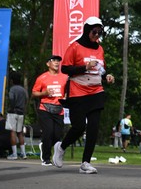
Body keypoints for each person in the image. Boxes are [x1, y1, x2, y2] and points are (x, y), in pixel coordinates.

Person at [52, 16, 115, 174]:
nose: (96, 35)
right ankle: (61, 147)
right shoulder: (75, 47)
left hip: (96, 91)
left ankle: (85, 163)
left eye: (99, 32)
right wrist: (85, 67)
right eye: (94, 32)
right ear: (87, 30)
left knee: (93, 127)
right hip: (78, 91)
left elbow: (100, 69)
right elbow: (65, 69)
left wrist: (106, 76)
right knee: (79, 127)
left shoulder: (100, 49)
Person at [31, 54, 68, 166]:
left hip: (59, 109)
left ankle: (45, 146)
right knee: (48, 133)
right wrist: (44, 93)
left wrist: (67, 96)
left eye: (58, 61)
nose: (57, 62)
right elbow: (34, 93)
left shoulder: (65, 77)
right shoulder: (42, 78)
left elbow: (68, 91)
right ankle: (46, 158)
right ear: (48, 64)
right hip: (45, 108)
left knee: (57, 135)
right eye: (54, 60)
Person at [5, 71, 28, 160]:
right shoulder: (23, 90)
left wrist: (11, 108)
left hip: (13, 112)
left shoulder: (12, 89)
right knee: (20, 132)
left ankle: (14, 154)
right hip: (21, 112)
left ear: (12, 80)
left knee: (12, 132)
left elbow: (11, 99)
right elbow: (26, 99)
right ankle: (23, 153)